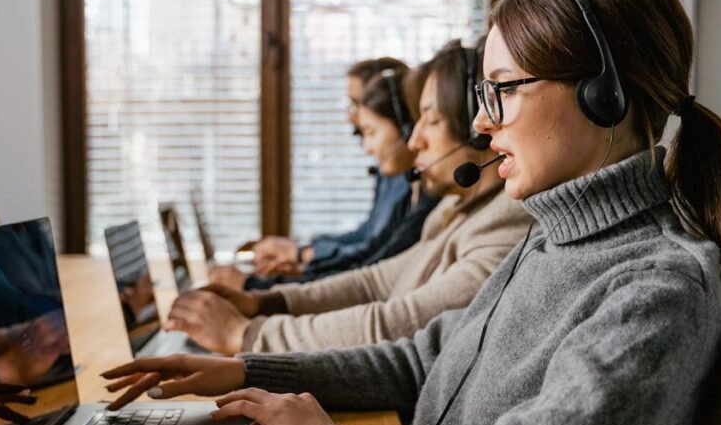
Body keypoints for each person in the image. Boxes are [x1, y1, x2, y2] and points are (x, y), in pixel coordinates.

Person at [102, 0, 721, 425]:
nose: (481, 124)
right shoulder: (551, 239)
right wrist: (250, 371)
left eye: (502, 89)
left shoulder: (658, 290)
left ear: (605, 94)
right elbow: (423, 358)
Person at [165, 40, 532, 354]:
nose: (414, 140)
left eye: (431, 120)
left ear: (476, 131)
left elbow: (399, 322)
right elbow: (374, 282)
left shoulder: (505, 223)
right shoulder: (457, 208)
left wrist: (245, 334)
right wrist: (264, 301)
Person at [216, 67, 441, 292]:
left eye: (370, 131)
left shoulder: (425, 197)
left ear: (405, 126)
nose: (352, 116)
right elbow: (370, 254)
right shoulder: (407, 187)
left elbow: (370, 270)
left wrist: (264, 285)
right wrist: (302, 266)